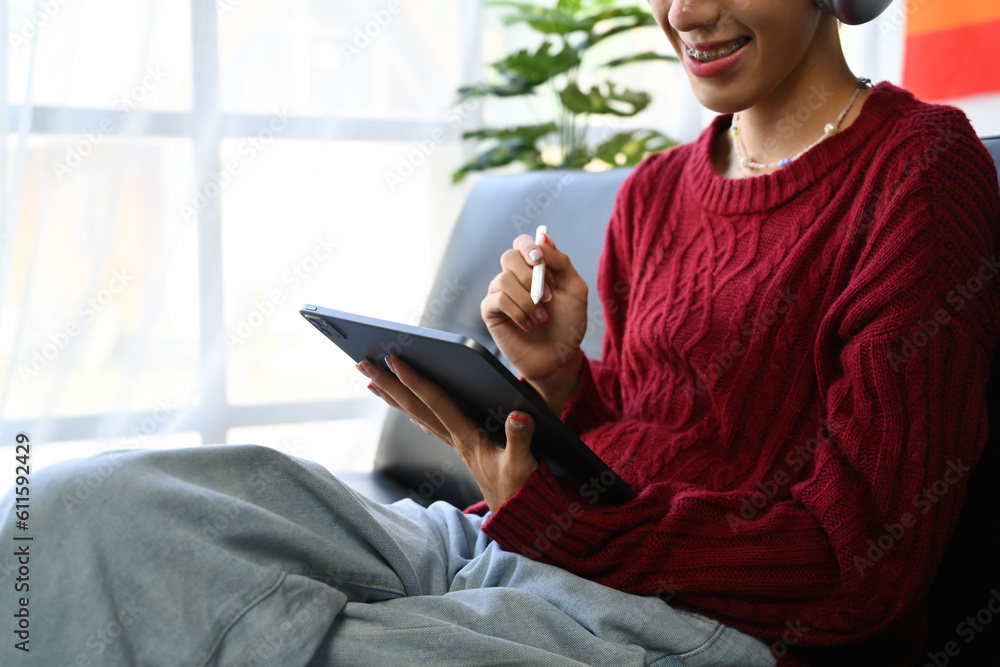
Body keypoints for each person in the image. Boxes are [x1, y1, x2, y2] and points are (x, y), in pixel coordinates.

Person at [3, 1, 998, 665]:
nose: (685, 13)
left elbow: (863, 560)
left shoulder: (917, 172)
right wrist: (562, 386)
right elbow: (666, 436)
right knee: (68, 514)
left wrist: (562, 524)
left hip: (703, 623)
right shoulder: (656, 191)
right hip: (529, 548)